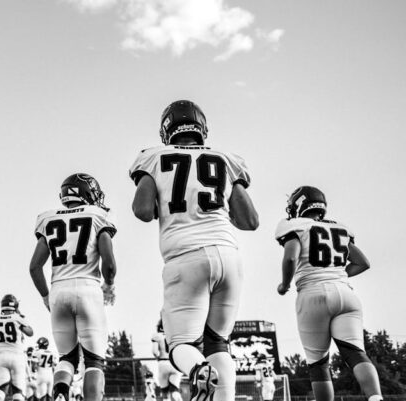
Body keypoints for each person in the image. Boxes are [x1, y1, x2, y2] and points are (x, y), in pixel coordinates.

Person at [130, 100, 259, 401]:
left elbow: (141, 210)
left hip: (185, 256)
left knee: (182, 347)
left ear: (166, 129)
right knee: (219, 343)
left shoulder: (153, 156)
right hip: (228, 255)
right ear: (201, 128)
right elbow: (250, 221)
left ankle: (199, 369)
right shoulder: (225, 158)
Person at [275, 186, 382, 401]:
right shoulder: (339, 228)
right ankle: (376, 397)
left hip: (312, 293)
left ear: (298, 205)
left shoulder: (293, 226)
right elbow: (362, 263)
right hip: (346, 293)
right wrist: (337, 276)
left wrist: (284, 285)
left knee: (318, 363)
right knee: (355, 352)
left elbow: (290, 258)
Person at [29, 173, 117, 401]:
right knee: (94, 360)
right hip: (88, 288)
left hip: (58, 289)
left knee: (66, 358)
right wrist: (109, 285)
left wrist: (46, 296)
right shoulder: (98, 215)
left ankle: (60, 393)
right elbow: (109, 262)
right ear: (87, 193)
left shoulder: (47, 218)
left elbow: (34, 267)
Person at [0, 295, 34, 401]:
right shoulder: (18, 318)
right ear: (15, 306)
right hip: (17, 357)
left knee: (1, 390)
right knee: (18, 392)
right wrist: (19, 314)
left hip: (2, 357)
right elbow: (30, 332)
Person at [151, 320, 181, 401]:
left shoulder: (157, 336)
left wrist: (158, 358)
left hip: (163, 363)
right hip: (174, 363)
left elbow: (154, 352)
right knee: (175, 390)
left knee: (165, 394)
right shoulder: (175, 335)